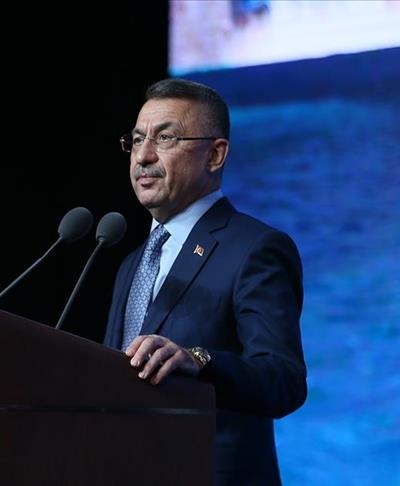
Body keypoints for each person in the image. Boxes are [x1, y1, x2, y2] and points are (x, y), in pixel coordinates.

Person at [102, 78, 307, 485]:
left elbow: (284, 380)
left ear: (215, 154)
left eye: (165, 138)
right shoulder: (131, 262)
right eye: (137, 139)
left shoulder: (255, 248)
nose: (143, 156)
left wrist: (199, 360)